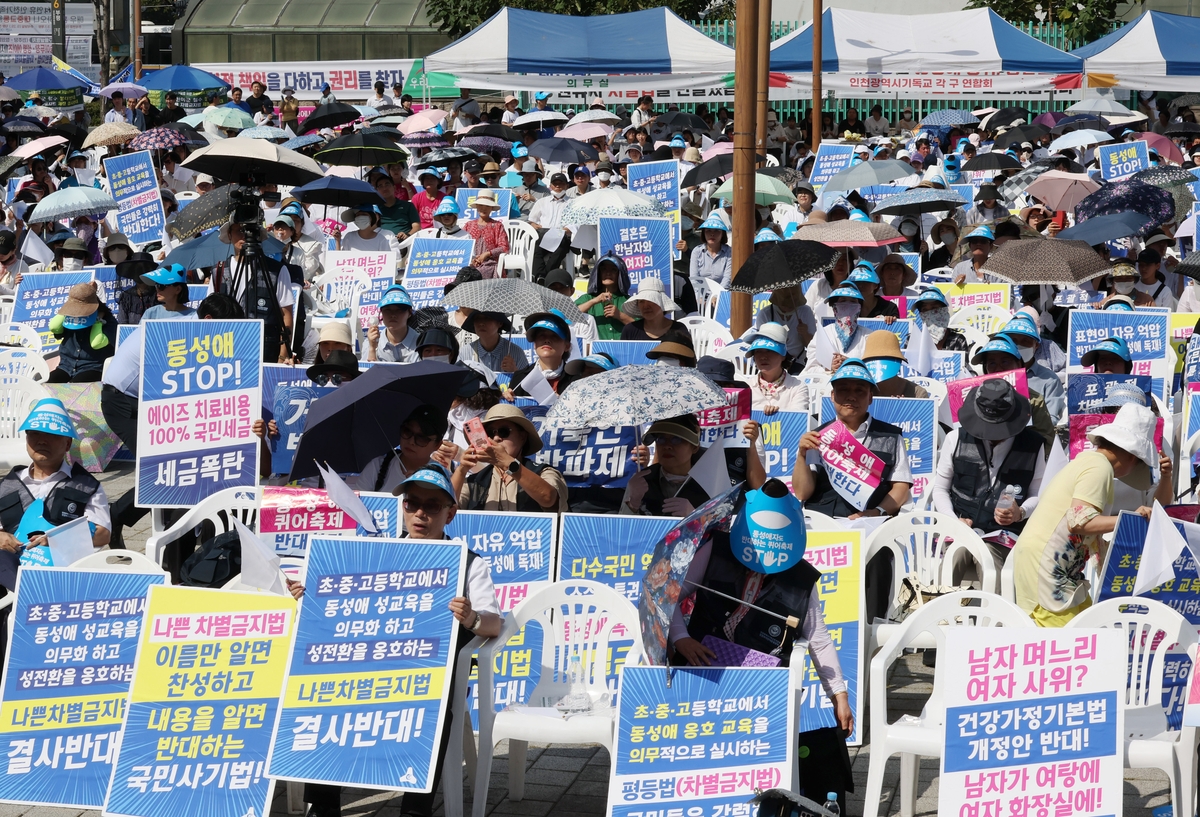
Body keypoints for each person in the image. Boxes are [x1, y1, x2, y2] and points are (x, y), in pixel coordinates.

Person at [1012, 404, 1158, 626]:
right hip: (1047, 567)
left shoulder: (1091, 462)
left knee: (1089, 629)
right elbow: (1079, 521)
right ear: (1132, 456)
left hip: (1059, 568)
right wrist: (1129, 519)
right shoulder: (1098, 468)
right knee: (1067, 643)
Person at [0, 398, 111, 589]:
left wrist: (59, 540)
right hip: (8, 568)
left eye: (51, 434)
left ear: (67, 444)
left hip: (61, 571)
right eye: (34, 434)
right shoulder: (6, 484)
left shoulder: (86, 485)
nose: (41, 440)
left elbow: (103, 534)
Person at [933, 378, 1046, 548]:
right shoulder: (955, 439)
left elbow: (1037, 493)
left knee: (992, 563)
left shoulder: (1034, 445)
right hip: (959, 528)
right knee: (953, 558)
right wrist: (953, 521)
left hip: (1005, 537)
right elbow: (940, 488)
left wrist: (1020, 513)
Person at [792, 359, 912, 519]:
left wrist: (877, 512)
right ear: (832, 396)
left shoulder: (891, 436)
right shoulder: (817, 436)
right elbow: (802, 492)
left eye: (859, 391)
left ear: (870, 397)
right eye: (844, 390)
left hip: (871, 524)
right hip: (823, 523)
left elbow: (901, 487)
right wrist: (802, 455)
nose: (851, 397)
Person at [453, 403, 567, 511]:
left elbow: (548, 498)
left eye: (504, 432)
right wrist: (461, 470)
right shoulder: (475, 481)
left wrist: (508, 463)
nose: (496, 438)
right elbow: (445, 509)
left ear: (522, 437)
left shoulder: (543, 472)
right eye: (490, 433)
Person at [218, 219, 295, 363]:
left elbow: (286, 314)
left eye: (250, 231)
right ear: (229, 234)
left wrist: (283, 355)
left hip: (265, 349)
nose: (245, 236)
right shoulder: (219, 270)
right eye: (239, 231)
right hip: (225, 348)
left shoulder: (276, 270)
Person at [971, 335, 1057, 450]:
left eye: (1005, 362)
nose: (998, 369)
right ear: (985, 369)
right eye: (992, 363)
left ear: (1019, 365)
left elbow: (1046, 441)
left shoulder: (1034, 400)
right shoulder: (973, 398)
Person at [621, 415, 710, 516]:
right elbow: (622, 529)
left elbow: (723, 527)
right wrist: (632, 504)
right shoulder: (641, 480)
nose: (667, 446)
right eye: (660, 439)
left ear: (694, 447)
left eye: (677, 439)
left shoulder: (712, 482)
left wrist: (696, 516)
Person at [352, 404, 448, 495]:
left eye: (421, 438)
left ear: (437, 445)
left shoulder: (443, 478)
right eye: (407, 431)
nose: (411, 441)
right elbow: (354, 506)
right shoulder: (376, 467)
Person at [997, 313, 1066, 425]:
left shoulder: (1049, 380)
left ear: (1036, 345)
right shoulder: (996, 373)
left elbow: (1050, 419)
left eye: (1025, 341)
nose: (1019, 346)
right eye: (1013, 341)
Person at [48, 283, 116, 383]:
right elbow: (55, 329)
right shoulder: (69, 317)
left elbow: (97, 343)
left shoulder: (109, 321)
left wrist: (98, 322)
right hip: (66, 366)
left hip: (92, 367)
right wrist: (64, 312)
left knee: (75, 388)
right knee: (47, 384)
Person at [746, 323, 809, 414]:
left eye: (770, 351)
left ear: (783, 355)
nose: (763, 357)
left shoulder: (798, 387)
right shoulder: (746, 387)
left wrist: (777, 415)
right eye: (758, 351)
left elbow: (796, 419)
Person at [510, 310, 575, 397]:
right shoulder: (520, 377)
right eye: (541, 336)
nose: (547, 340)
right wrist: (506, 400)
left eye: (554, 336)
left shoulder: (576, 380)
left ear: (567, 346)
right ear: (534, 344)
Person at [805, 285, 868, 370]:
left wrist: (851, 365)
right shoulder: (823, 334)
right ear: (834, 308)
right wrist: (828, 367)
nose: (848, 305)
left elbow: (875, 368)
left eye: (853, 301)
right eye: (843, 301)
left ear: (859, 308)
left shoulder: (869, 336)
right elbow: (810, 368)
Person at [528, 172, 573, 282]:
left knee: (561, 246)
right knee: (535, 247)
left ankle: (544, 277)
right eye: (555, 184)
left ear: (567, 186)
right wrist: (534, 225)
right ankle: (541, 276)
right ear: (551, 186)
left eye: (561, 184)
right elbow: (531, 220)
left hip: (561, 234)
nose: (558, 186)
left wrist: (566, 230)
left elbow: (574, 224)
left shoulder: (573, 203)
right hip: (543, 233)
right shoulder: (541, 202)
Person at [576, 253, 632, 340]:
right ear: (598, 273)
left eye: (613, 270)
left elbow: (641, 329)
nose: (608, 273)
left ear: (620, 275)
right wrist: (595, 301)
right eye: (604, 269)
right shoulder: (587, 298)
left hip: (622, 350)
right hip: (596, 351)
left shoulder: (629, 301)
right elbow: (569, 315)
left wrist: (620, 315)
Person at [620, 278, 691, 343]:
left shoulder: (679, 330)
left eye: (650, 300)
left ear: (662, 302)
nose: (645, 306)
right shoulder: (630, 330)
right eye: (641, 301)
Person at [862, 330, 929, 398]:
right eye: (873, 360)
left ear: (898, 362)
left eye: (887, 359)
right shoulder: (859, 392)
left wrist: (904, 407)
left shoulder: (917, 394)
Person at [363, 285, 420, 363]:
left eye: (399, 310)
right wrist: (372, 349)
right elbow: (365, 373)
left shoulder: (421, 343)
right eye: (387, 310)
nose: (393, 315)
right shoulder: (370, 342)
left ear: (409, 313)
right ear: (381, 312)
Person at [459, 311, 527, 374]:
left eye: (487, 318)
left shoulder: (516, 353)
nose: (481, 323)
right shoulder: (464, 353)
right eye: (477, 318)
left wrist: (515, 371)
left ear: (500, 323)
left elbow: (527, 384)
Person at [462, 190, 509, 279]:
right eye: (481, 205)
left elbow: (504, 247)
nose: (483, 208)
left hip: (489, 263)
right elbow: (463, 244)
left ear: (491, 208)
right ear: (476, 207)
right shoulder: (469, 225)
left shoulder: (497, 225)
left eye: (487, 206)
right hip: (470, 262)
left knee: (476, 274)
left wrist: (487, 254)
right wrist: (472, 259)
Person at [368, 167, 419, 241]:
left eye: (387, 184)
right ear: (377, 190)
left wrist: (407, 235)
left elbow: (416, 226)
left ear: (394, 187)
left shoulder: (408, 206)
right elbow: (372, 228)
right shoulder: (375, 208)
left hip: (404, 242)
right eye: (380, 186)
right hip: (382, 242)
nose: (384, 188)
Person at [271, 214, 323, 282]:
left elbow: (301, 275)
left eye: (284, 226)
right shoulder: (267, 250)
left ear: (292, 231)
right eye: (277, 227)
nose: (280, 229)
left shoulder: (298, 252)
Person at [689, 214, 732, 294]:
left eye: (716, 230)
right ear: (703, 233)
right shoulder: (696, 251)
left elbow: (727, 279)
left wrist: (716, 296)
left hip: (722, 295)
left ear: (722, 233)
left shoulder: (729, 252)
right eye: (708, 230)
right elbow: (694, 279)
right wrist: (700, 298)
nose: (712, 234)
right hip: (700, 297)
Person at [336, 204, 400, 256]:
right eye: (358, 215)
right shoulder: (349, 237)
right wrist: (337, 241)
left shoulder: (381, 239)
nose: (360, 217)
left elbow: (387, 261)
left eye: (364, 214)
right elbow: (341, 258)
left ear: (372, 218)